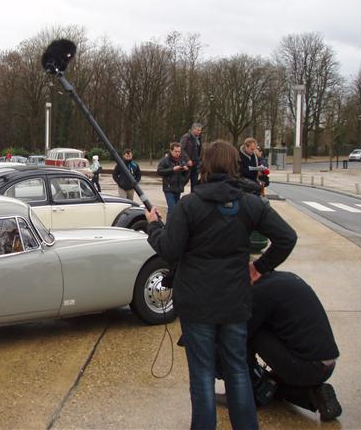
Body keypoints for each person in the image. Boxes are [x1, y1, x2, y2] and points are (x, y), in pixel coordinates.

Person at [145, 140, 297, 430]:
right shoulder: (251, 204)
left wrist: (153, 226)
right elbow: (287, 238)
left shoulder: (189, 205)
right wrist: (259, 268)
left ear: (206, 166)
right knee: (237, 369)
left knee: (202, 375)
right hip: (234, 303)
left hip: (197, 305)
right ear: (234, 166)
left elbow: (169, 250)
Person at [248, 268, 342, 421]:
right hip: (325, 363)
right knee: (272, 382)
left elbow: (242, 333)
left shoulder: (259, 292)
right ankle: (317, 395)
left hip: (307, 366)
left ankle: (251, 387)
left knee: (249, 333)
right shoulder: (284, 278)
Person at [156, 142, 189, 214]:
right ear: (171, 151)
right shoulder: (165, 160)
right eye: (175, 151)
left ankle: (170, 221)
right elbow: (159, 171)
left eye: (179, 151)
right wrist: (172, 169)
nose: (177, 153)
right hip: (169, 188)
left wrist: (186, 171)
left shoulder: (182, 161)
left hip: (178, 188)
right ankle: (171, 221)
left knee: (175, 210)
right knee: (172, 209)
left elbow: (186, 175)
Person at [180, 122, 203, 191]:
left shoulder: (199, 138)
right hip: (187, 163)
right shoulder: (186, 137)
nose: (199, 132)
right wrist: (187, 160)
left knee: (195, 182)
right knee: (184, 180)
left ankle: (193, 195)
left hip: (196, 163)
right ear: (193, 130)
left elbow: (200, 150)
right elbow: (181, 149)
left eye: (200, 130)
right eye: (198, 130)